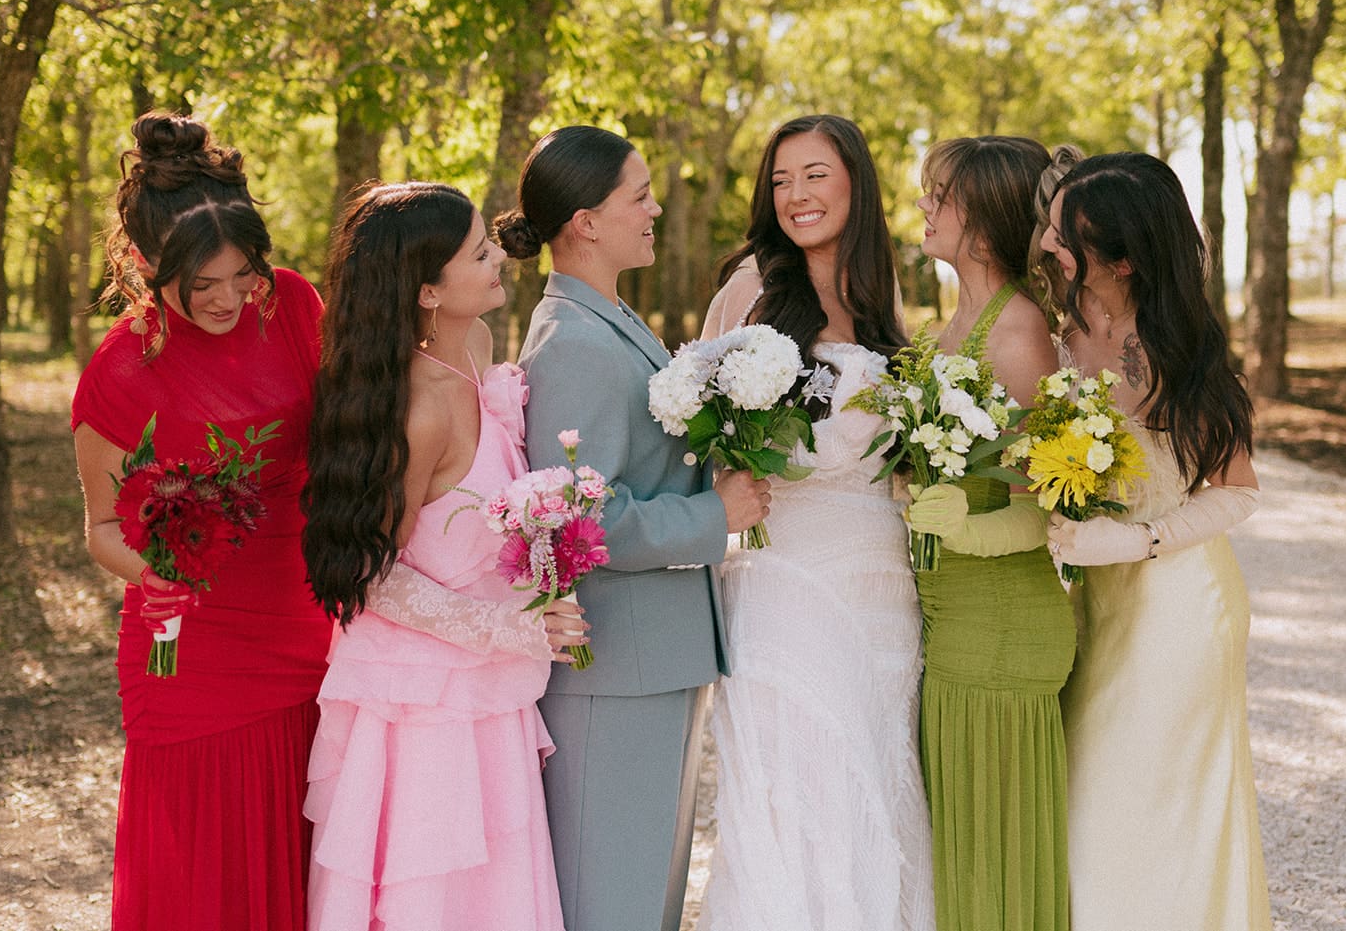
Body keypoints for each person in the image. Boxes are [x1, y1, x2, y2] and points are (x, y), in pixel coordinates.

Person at [501, 125, 770, 931]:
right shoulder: (574, 341)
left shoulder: (611, 316)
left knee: (648, 888)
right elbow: (581, 518)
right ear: (585, 219)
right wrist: (713, 516)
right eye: (639, 195)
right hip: (612, 665)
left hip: (654, 654)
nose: (656, 208)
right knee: (608, 895)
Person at [297, 182, 586, 930]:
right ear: (428, 289)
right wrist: (514, 627)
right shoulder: (417, 408)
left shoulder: (480, 348)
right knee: (435, 897)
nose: (499, 258)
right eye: (478, 252)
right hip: (423, 705)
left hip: (490, 694)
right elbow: (372, 579)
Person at [71, 112, 333, 930]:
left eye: (242, 273)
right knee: (199, 876)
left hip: (307, 623)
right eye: (201, 283)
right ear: (148, 264)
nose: (229, 299)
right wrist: (162, 573)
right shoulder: (116, 373)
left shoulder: (291, 304)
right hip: (191, 657)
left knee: (305, 855)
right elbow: (100, 530)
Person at [696, 114, 934, 931]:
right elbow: (702, 430)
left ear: (855, 183)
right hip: (785, 577)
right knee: (795, 792)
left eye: (815, 175)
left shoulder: (879, 292)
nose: (795, 195)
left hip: (880, 582)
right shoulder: (753, 288)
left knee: (877, 780)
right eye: (780, 180)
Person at [1040, 151, 1269, 930]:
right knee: (1091, 798)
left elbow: (1237, 492)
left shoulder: (1177, 348)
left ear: (1125, 257)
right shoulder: (1060, 334)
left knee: (1162, 803)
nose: (1048, 242)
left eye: (1065, 232)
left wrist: (1136, 542)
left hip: (1178, 607)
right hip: (1096, 609)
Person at [899, 136, 1074, 931]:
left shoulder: (1018, 332)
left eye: (942, 194)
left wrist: (962, 525)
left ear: (985, 218)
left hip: (1002, 625)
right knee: (960, 863)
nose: (925, 204)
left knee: (997, 865)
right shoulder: (944, 329)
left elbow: (1049, 501)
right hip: (951, 621)